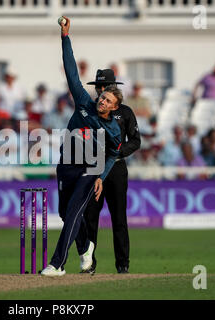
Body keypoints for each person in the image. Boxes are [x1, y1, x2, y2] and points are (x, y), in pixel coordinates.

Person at [41, 17, 122, 277]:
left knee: (75, 212)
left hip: (89, 170)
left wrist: (101, 177)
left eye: (107, 99)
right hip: (66, 165)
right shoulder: (84, 104)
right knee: (65, 213)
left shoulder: (112, 128)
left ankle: (57, 264)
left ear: (114, 107)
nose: (102, 99)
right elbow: (71, 71)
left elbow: (113, 154)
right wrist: (65, 37)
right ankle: (86, 245)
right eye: (102, 96)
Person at [76, 68, 141, 274]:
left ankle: (122, 265)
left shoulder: (125, 112)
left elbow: (136, 141)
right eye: (99, 88)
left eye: (105, 87)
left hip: (116, 169)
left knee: (119, 219)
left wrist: (119, 153)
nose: (101, 91)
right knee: (90, 218)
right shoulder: (89, 110)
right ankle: (89, 264)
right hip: (94, 167)